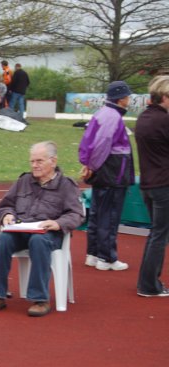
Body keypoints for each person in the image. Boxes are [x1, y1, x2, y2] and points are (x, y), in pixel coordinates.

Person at [0, 142, 84, 317]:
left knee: (38, 240)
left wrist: (58, 223)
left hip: (49, 234)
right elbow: (5, 205)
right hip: (21, 230)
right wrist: (7, 214)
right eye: (32, 161)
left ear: (53, 161)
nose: (34, 165)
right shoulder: (23, 181)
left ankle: (40, 299)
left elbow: (76, 214)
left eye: (39, 161)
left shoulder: (66, 185)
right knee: (4, 238)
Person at [79, 81, 135, 271]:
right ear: (121, 98)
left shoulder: (102, 112)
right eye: (127, 96)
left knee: (98, 212)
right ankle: (107, 258)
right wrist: (92, 166)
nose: (129, 99)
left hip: (105, 171)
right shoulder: (113, 116)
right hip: (112, 172)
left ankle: (93, 254)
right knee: (110, 214)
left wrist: (88, 164)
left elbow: (90, 141)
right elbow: (103, 143)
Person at [134, 75, 169, 297]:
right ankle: (148, 284)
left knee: (156, 233)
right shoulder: (164, 120)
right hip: (163, 183)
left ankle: (147, 282)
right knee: (159, 235)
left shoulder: (144, 118)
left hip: (148, 183)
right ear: (164, 96)